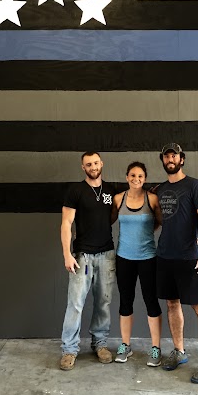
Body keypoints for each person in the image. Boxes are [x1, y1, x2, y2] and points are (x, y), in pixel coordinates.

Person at [155, 142, 198, 384]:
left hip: (189, 258)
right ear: (162, 160)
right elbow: (160, 220)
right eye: (166, 156)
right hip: (165, 257)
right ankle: (179, 351)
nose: (170, 159)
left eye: (174, 155)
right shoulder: (160, 190)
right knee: (172, 304)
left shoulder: (195, 186)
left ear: (182, 159)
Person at [59, 151, 116, 371]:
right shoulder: (76, 191)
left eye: (95, 163)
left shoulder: (110, 190)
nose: (93, 167)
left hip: (107, 254)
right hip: (82, 256)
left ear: (101, 164)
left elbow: (116, 214)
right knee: (75, 304)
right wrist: (67, 254)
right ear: (83, 167)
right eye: (88, 164)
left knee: (103, 302)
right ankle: (69, 349)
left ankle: (100, 344)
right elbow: (66, 223)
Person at [111, 162, 163, 367]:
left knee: (151, 302)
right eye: (133, 175)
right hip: (124, 258)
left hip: (148, 258)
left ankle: (156, 348)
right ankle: (125, 345)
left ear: (145, 178)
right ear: (127, 177)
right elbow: (106, 222)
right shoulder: (118, 199)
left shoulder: (152, 199)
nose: (136, 179)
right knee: (125, 302)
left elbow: (162, 222)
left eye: (140, 176)